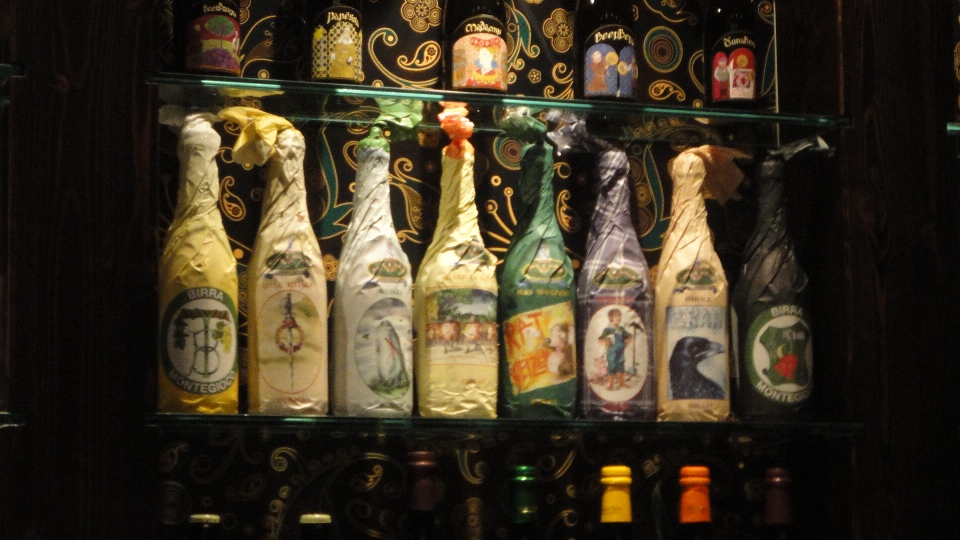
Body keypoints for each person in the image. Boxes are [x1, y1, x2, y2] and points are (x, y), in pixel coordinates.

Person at [598, 309, 631, 390]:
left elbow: (629, 336)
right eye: (616, 316)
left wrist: (626, 344)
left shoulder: (621, 329)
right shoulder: (607, 330)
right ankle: (611, 384)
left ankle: (622, 383)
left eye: (620, 316)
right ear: (611, 318)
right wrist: (605, 342)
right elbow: (600, 339)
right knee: (612, 367)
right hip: (612, 353)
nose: (619, 317)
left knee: (621, 366)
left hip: (621, 352)